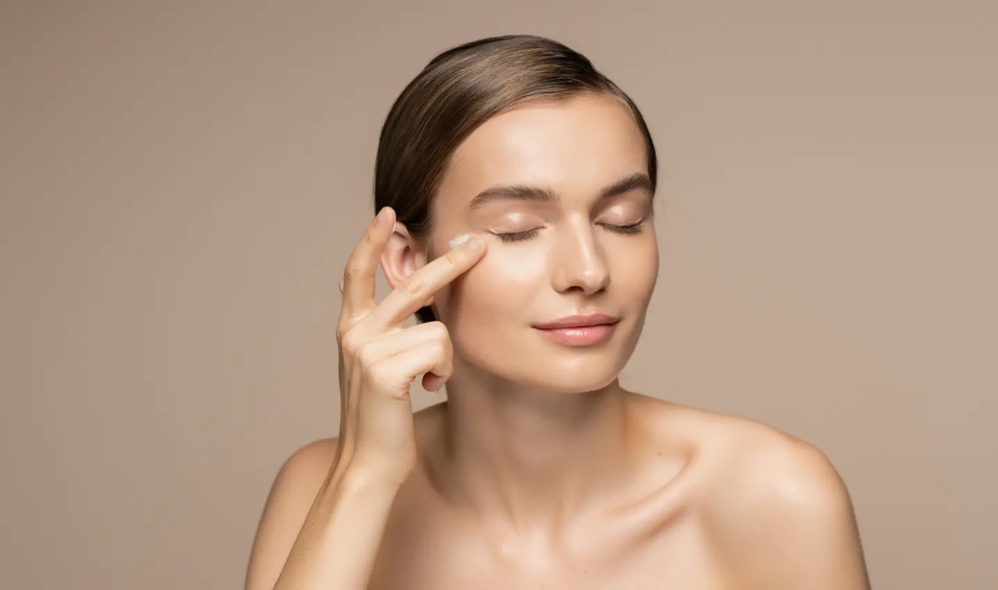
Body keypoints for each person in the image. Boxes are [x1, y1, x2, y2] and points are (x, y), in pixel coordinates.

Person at [244, 34, 871, 590]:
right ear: (409, 262)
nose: (588, 272)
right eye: (518, 228)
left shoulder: (775, 496)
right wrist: (363, 477)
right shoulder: (322, 487)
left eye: (622, 220)